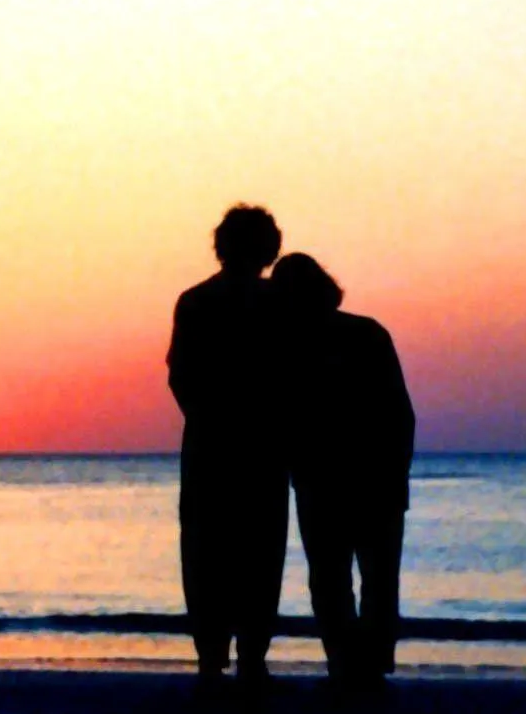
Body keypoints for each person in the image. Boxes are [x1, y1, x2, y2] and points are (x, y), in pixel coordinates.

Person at [269, 253, 414, 686]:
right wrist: (396, 472)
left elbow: (283, 418)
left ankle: (346, 663)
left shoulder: (290, 347)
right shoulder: (367, 333)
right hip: (367, 478)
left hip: (326, 480)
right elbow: (400, 414)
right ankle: (368, 664)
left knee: (333, 581)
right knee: (376, 578)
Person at [167, 205, 289, 678]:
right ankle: (247, 659)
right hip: (256, 450)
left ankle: (214, 658)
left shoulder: (197, 301)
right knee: (257, 556)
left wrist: (211, 419)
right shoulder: (273, 303)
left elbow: (180, 377)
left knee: (208, 557)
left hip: (214, 450)